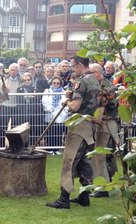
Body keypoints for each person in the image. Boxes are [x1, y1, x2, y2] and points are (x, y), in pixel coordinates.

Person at [46, 55, 100, 209]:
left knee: (68, 161)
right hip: (90, 125)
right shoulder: (95, 80)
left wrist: (67, 101)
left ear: (80, 65)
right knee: (85, 162)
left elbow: (75, 106)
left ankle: (64, 198)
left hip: (78, 126)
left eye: (73, 65)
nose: (72, 68)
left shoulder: (82, 82)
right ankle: (84, 196)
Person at [89, 63, 120, 198]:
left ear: (97, 72)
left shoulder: (104, 86)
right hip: (109, 121)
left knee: (99, 153)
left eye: (90, 73)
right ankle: (113, 180)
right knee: (110, 153)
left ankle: (102, 188)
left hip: (106, 122)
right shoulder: (105, 84)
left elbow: (101, 106)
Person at [41, 77, 68, 155]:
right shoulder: (47, 91)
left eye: (57, 83)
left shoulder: (64, 92)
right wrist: (51, 110)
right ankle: (50, 149)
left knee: (58, 132)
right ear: (51, 83)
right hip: (50, 114)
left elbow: (66, 102)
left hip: (61, 114)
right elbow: (44, 102)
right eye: (54, 83)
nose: (56, 84)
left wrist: (63, 111)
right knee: (50, 132)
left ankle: (56, 149)